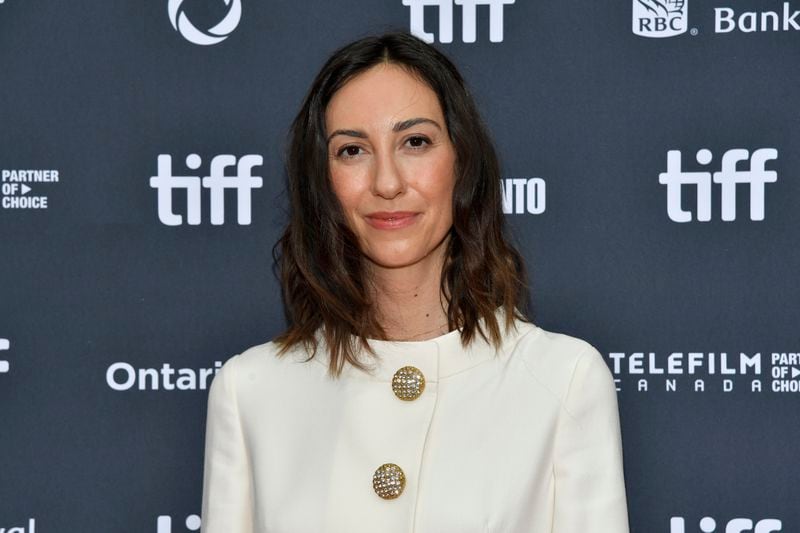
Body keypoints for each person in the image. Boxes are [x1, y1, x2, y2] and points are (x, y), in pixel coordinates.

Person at [200, 31, 629, 533]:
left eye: (415, 142)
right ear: (323, 182)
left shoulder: (564, 380)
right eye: (352, 150)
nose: (387, 182)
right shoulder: (251, 391)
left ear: (461, 161)